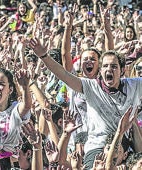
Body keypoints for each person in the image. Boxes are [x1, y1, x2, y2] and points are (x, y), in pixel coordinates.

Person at [29, 37, 142, 169]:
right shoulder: (91, 86)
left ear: (122, 71)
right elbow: (64, 75)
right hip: (97, 147)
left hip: (125, 147)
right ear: (100, 71)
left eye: (114, 66)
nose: (109, 69)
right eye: (105, 66)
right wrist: (43, 56)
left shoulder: (135, 85)